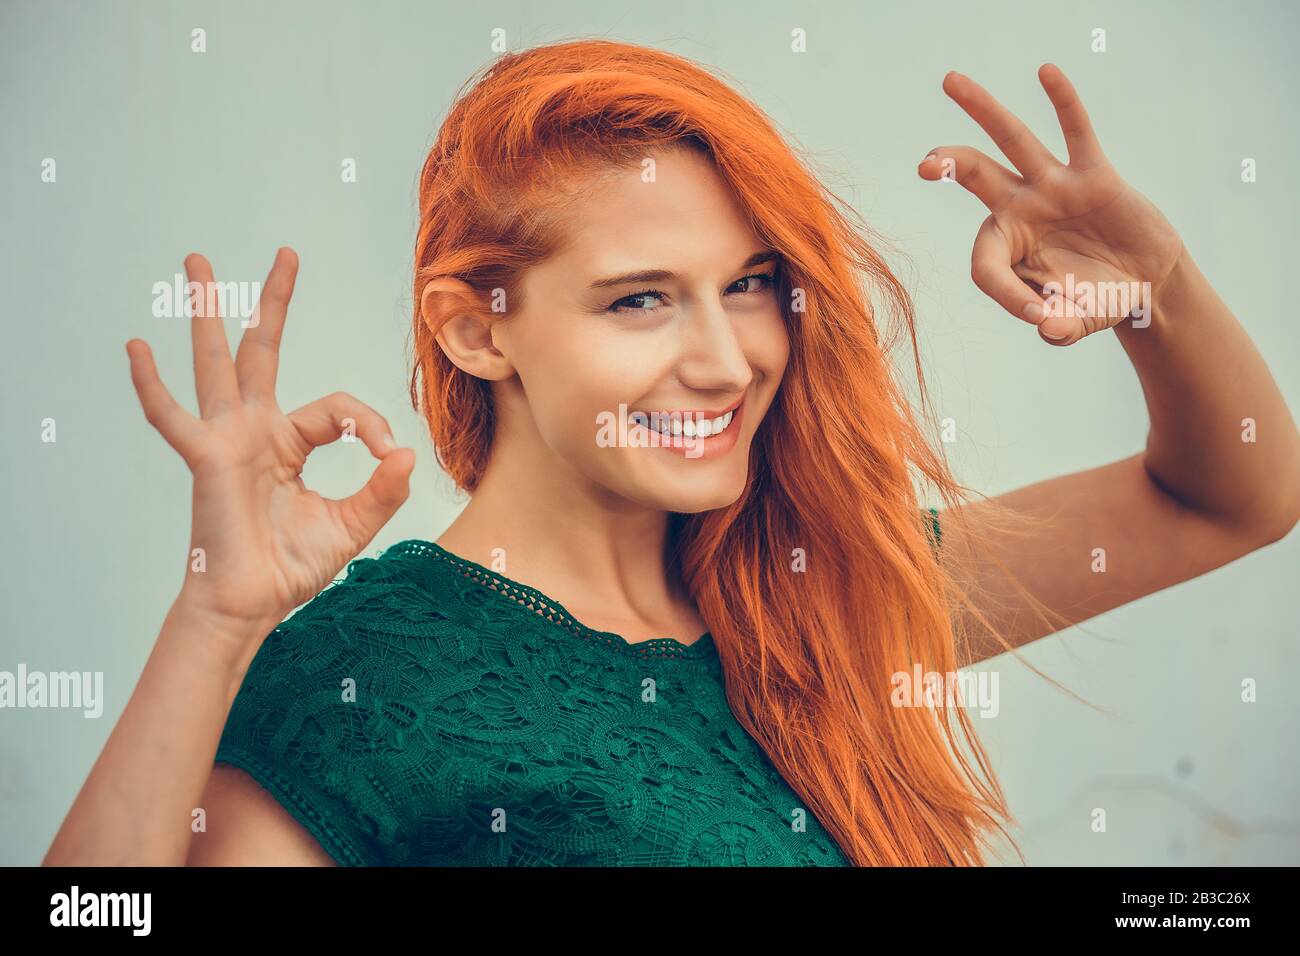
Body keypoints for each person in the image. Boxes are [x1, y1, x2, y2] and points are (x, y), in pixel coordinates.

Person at [43, 39, 1300, 867]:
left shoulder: (826, 587)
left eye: (748, 285)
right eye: (638, 299)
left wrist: (1161, 291)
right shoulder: (358, 686)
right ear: (476, 328)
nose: (726, 358)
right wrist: (213, 621)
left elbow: (1227, 497)